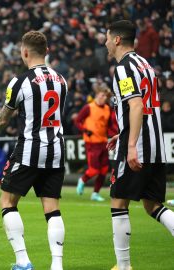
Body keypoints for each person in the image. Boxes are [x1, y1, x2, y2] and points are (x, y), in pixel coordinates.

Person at [0, 30, 67, 270]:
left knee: (7, 201)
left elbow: (4, 118)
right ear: (46, 51)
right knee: (52, 208)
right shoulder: (61, 80)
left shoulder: (20, 81)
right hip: (56, 148)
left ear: (24, 52)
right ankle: (57, 265)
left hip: (29, 148)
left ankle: (23, 261)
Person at [105, 20, 174, 270]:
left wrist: (131, 144)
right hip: (156, 146)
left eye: (106, 37)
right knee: (153, 205)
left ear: (116, 40)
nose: (104, 42)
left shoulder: (123, 68)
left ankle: (123, 266)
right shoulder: (146, 64)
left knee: (118, 201)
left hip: (139, 145)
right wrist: (122, 133)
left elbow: (136, 105)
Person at [75, 87, 118, 201]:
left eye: (105, 96)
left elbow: (109, 126)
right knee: (94, 170)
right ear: (97, 95)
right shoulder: (88, 107)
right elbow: (77, 121)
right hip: (92, 143)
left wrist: (119, 133)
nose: (103, 98)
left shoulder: (108, 109)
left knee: (104, 170)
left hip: (103, 142)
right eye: (101, 95)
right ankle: (82, 180)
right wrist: (85, 130)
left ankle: (95, 193)